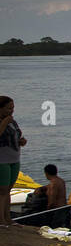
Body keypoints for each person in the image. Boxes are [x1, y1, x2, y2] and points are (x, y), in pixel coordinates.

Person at [0, 96, 27, 226]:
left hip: (14, 158)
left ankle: (7, 218)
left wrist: (22, 141)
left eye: (13, 108)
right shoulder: (5, 121)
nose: (11, 111)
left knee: (8, 190)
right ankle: (1, 219)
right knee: (2, 191)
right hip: (2, 160)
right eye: (8, 108)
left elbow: (17, 135)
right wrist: (5, 121)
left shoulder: (12, 121)